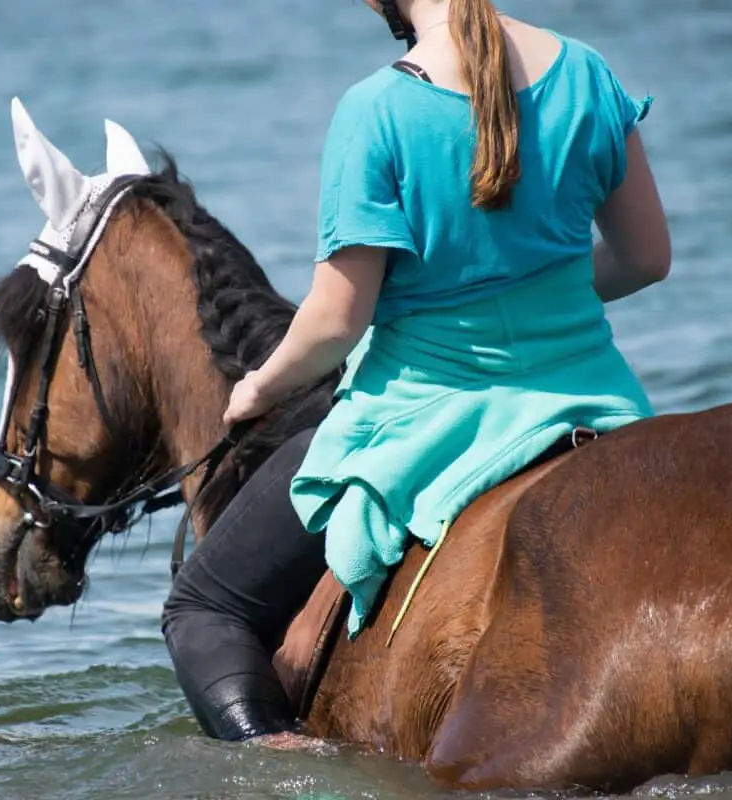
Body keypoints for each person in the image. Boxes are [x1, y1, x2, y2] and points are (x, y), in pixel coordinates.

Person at [161, 0, 671, 744]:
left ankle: (284, 776)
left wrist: (257, 388)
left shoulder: (379, 108)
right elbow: (645, 258)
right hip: (593, 401)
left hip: (423, 419)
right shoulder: (587, 73)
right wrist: (538, 295)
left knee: (203, 608)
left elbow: (338, 321)